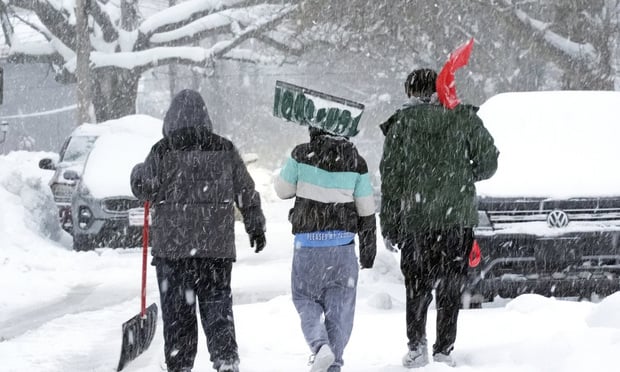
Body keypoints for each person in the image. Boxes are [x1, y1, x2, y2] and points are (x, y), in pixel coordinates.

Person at [130, 89, 266, 372]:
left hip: (173, 255)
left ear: (171, 119)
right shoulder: (224, 149)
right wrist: (255, 225)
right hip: (214, 252)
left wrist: (137, 173)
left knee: (178, 318)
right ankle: (226, 360)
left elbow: (144, 188)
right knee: (218, 312)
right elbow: (246, 190)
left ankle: (180, 365)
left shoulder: (162, 150)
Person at [379, 68, 498, 368]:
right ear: (439, 89)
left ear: (409, 92)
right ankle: (444, 349)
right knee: (450, 285)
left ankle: (416, 346)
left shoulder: (401, 125)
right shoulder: (463, 118)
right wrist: (463, 173)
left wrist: (390, 224)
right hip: (456, 219)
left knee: (416, 286)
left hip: (416, 221)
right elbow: (488, 164)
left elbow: (390, 179)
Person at [274, 126, 377, 372]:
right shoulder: (356, 161)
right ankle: (334, 364)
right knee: (339, 311)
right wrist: (368, 250)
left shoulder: (301, 154)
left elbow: (282, 190)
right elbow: (366, 209)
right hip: (341, 248)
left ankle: (320, 347)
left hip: (308, 246)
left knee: (305, 298)